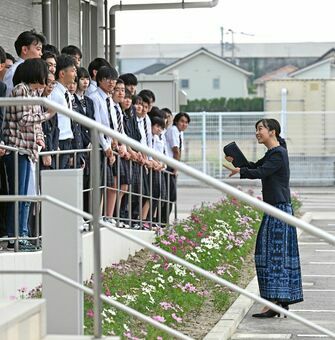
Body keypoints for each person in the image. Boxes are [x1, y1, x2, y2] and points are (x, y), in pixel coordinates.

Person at [225, 118, 303, 317]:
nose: (257, 133)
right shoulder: (272, 153)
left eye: (260, 129)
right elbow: (254, 166)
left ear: (272, 132)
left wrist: (240, 171)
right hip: (274, 209)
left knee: (273, 256)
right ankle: (277, 302)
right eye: (256, 129)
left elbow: (261, 171)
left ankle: (276, 302)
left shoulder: (278, 154)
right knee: (268, 255)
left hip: (279, 210)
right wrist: (238, 163)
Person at [2, 58, 55, 251]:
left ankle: (22, 234)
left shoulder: (34, 92)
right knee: (18, 195)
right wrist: (48, 114)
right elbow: (24, 119)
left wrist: (40, 138)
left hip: (29, 150)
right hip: (17, 148)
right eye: (44, 73)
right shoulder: (20, 90)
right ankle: (14, 236)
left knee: (25, 196)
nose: (47, 78)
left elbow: (36, 125)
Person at [88, 66, 118, 219]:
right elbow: (97, 125)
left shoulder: (109, 99)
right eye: (108, 79)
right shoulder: (95, 97)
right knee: (97, 183)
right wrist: (106, 146)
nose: (111, 82)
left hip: (108, 145)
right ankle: (93, 217)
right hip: (98, 145)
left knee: (105, 182)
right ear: (99, 80)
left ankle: (100, 216)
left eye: (113, 79)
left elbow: (112, 124)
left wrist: (113, 141)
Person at [162, 112, 190, 224]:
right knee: (168, 194)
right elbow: (175, 150)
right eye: (182, 121)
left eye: (186, 122)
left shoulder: (179, 133)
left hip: (173, 165)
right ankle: (163, 220)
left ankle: (165, 220)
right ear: (176, 121)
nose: (184, 124)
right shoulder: (173, 130)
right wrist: (175, 167)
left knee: (171, 195)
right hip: (169, 165)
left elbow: (179, 151)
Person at [50, 54, 77, 169]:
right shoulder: (55, 92)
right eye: (73, 71)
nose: (75, 74)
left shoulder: (66, 93)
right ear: (62, 73)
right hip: (59, 140)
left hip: (67, 140)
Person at [3, 29, 46, 96]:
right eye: (38, 49)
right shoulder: (13, 71)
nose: (41, 54)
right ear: (25, 50)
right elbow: (8, 99)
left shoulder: (35, 71)